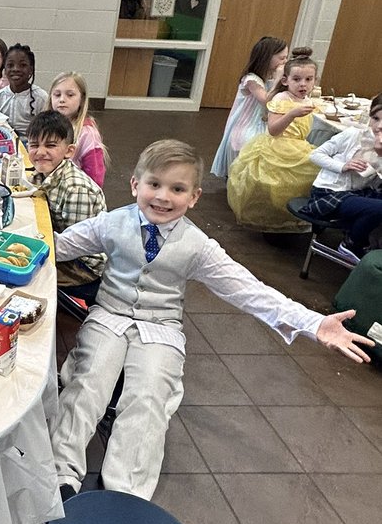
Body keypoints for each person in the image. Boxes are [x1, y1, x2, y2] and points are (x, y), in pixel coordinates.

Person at [51, 140, 373, 501]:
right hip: (109, 315)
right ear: (135, 185)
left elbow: (248, 290)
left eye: (177, 189)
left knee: (150, 396)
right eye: (154, 184)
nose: (162, 196)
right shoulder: (112, 223)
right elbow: (58, 246)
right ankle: (61, 475)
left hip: (160, 327)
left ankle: (125, 493)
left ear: (194, 197)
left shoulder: (198, 245)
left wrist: (312, 323)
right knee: (87, 382)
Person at [226, 47, 319, 232]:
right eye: (297, 79)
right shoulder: (281, 99)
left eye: (309, 79)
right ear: (285, 80)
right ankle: (272, 218)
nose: (303, 84)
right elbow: (274, 130)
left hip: (298, 147)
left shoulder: (307, 100)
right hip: (277, 146)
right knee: (274, 183)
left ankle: (292, 217)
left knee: (304, 178)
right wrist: (292, 114)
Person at [26, 110, 106, 301]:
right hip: (63, 248)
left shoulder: (75, 189)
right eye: (34, 145)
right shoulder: (44, 174)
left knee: (22, 271)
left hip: (85, 268)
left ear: (69, 151)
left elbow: (76, 247)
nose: (40, 152)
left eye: (51, 146)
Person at [305, 94, 382, 259]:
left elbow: (376, 182)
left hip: (357, 193)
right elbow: (316, 155)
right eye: (375, 118)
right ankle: (351, 244)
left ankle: (370, 243)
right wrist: (342, 166)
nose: (378, 126)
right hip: (330, 192)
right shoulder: (354, 135)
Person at [210, 36, 289, 178]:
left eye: (286, 58)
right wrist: (278, 79)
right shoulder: (251, 79)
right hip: (246, 124)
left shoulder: (269, 78)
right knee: (253, 142)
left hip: (263, 122)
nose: (285, 62)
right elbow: (266, 101)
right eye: (281, 58)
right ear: (267, 58)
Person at [47, 71, 109, 187]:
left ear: (82, 99)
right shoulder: (47, 127)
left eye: (70, 95)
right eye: (57, 94)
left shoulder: (87, 133)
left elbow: (95, 177)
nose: (62, 99)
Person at [0, 43, 48, 141]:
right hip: (3, 144)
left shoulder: (41, 98)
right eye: (10, 65)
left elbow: (46, 131)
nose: (16, 69)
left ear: (31, 70)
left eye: (23, 65)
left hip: (32, 145)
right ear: (5, 70)